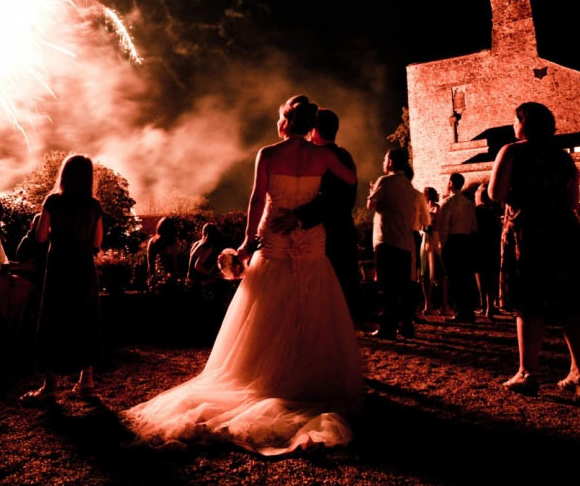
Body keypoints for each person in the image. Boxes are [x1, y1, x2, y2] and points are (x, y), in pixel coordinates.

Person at [124, 95, 362, 456]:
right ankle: (305, 380)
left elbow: (255, 199)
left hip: (275, 240)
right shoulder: (324, 154)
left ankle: (268, 379)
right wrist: (312, 196)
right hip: (311, 242)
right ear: (311, 123)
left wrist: (247, 242)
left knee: (267, 311)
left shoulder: (268, 154)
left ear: (285, 120)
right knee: (311, 307)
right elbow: (350, 179)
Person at [489, 102, 580, 397]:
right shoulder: (562, 157)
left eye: (515, 120)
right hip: (564, 230)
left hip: (528, 231)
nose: (513, 125)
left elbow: (495, 193)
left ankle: (527, 373)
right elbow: (573, 201)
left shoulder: (512, 151)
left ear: (523, 123)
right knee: (570, 303)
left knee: (528, 302)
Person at [21, 154, 104, 405]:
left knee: (52, 321)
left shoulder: (53, 202)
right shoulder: (94, 205)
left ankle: (50, 386)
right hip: (84, 269)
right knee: (86, 319)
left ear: (64, 175)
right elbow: (98, 242)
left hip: (59, 268)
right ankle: (86, 383)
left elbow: (41, 237)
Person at [276, 108, 359, 316]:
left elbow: (332, 199)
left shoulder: (326, 157)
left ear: (314, 130)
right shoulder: (344, 155)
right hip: (344, 231)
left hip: (330, 235)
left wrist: (298, 215)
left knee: (328, 294)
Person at [367, 148, 429, 339]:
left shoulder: (385, 181)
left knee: (386, 287)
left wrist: (372, 193)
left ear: (391, 162)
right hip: (405, 241)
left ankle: (387, 328)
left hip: (386, 239)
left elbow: (371, 204)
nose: (383, 162)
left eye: (385, 158)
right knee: (403, 286)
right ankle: (405, 324)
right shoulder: (410, 187)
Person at [437, 173, 478, 324]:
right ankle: (469, 311)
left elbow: (444, 227)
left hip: (453, 242)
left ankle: (461, 311)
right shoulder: (468, 203)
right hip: (467, 241)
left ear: (451, 184)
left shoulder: (447, 203)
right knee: (466, 277)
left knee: (454, 278)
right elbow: (474, 226)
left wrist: (442, 244)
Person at [473, 183, 502, 318]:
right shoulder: (493, 213)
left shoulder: (475, 212)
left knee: (481, 276)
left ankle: (483, 304)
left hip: (479, 246)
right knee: (491, 276)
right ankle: (490, 306)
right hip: (492, 246)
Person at [420, 187, 450, 316]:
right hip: (425, 241)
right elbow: (420, 227)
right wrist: (422, 230)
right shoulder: (423, 209)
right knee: (424, 274)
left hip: (435, 240)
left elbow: (436, 224)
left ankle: (444, 305)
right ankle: (428, 305)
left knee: (440, 274)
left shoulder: (437, 208)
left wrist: (428, 224)